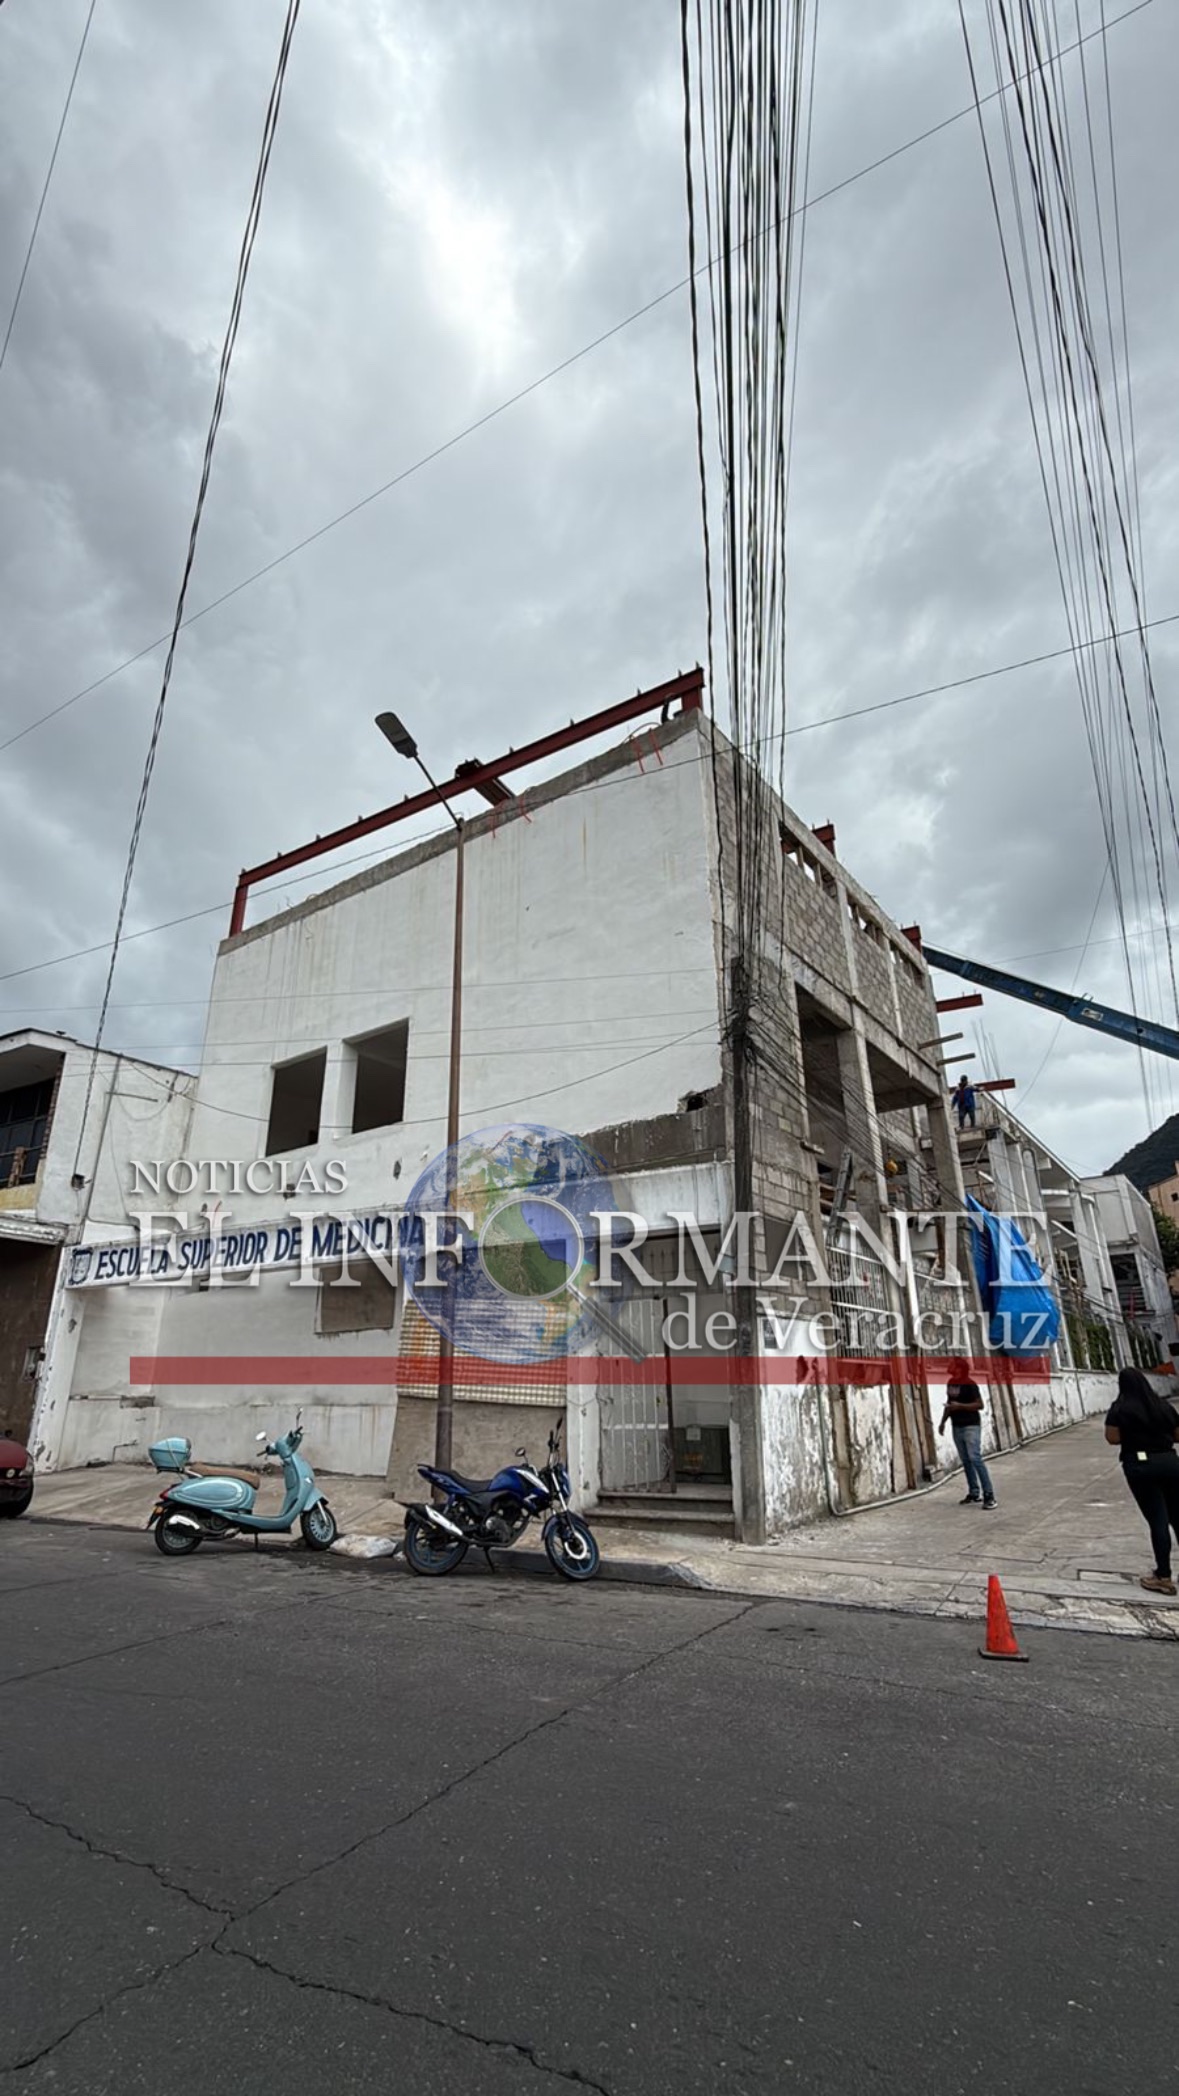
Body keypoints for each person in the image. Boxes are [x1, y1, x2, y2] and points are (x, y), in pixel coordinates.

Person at [1103, 1365, 1179, 1596]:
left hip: (1140, 1465)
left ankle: (1163, 1576)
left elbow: (1112, 1438)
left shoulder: (1120, 1409)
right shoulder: (1163, 1406)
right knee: (1178, 1517)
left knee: (1158, 1519)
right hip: (1169, 1462)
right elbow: (1178, 1435)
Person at [938, 1357, 997, 1507]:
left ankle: (989, 1495)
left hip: (971, 1425)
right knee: (966, 1460)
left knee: (975, 1458)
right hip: (956, 1425)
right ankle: (974, 1492)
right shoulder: (951, 1383)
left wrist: (961, 1406)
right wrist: (943, 1421)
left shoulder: (970, 1384)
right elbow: (950, 1404)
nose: (948, 1366)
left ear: (959, 1367)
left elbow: (980, 1404)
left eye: (951, 1364)